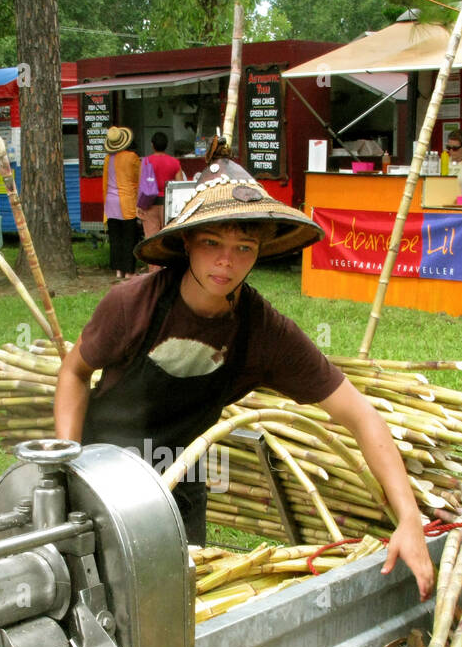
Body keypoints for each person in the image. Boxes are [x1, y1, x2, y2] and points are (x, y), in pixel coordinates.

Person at [52, 160, 434, 600]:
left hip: (178, 487)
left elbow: (362, 416)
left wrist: (409, 518)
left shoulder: (263, 331)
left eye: (243, 248)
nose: (225, 262)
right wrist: (69, 463)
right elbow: (74, 372)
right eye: (211, 242)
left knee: (168, 605)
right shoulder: (132, 304)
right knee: (87, 595)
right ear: (186, 242)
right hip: (101, 474)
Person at [138, 132, 186, 271]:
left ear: (152, 145)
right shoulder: (174, 162)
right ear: (166, 145)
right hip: (168, 205)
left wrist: (139, 205)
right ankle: (168, 270)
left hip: (149, 204)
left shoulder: (146, 161)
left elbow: (141, 184)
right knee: (167, 239)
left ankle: (154, 273)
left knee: (151, 240)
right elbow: (180, 184)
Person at [103, 126, 141, 281]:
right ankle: (129, 271)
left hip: (110, 203)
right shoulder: (132, 157)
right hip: (127, 203)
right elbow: (138, 180)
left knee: (115, 238)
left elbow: (104, 183)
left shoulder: (107, 159)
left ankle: (118, 270)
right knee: (129, 238)